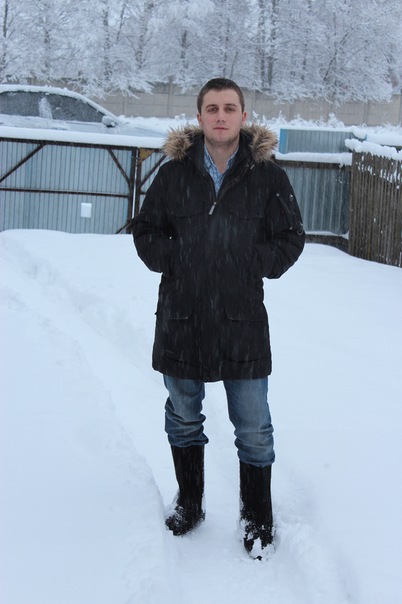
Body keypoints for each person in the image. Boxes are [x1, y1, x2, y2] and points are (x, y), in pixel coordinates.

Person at [132, 78, 305, 559]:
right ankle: (190, 503)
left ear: (243, 116)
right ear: (199, 117)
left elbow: (291, 237)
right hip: (182, 318)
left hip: (241, 319)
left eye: (230, 108)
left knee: (254, 427)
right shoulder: (173, 175)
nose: (221, 116)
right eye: (212, 108)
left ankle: (257, 516)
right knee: (184, 417)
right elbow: (145, 233)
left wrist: (249, 262)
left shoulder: (268, 177)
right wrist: (181, 257)